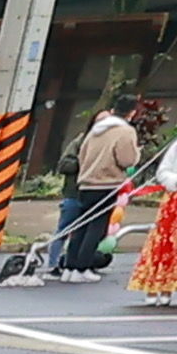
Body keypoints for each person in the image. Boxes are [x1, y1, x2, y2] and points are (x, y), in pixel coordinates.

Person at [60, 99, 143, 270]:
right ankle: (82, 268)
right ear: (132, 112)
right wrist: (137, 155)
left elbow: (82, 154)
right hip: (107, 183)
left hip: (85, 183)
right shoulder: (125, 131)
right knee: (97, 228)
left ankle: (70, 266)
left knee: (81, 227)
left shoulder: (95, 130)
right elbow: (126, 160)